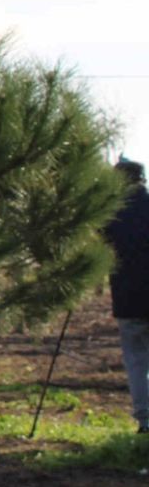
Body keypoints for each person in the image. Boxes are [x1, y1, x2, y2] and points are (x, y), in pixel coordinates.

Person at [105, 157, 149, 433]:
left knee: (136, 360)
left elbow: (96, 251)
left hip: (127, 300)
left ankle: (145, 420)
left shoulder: (110, 215)